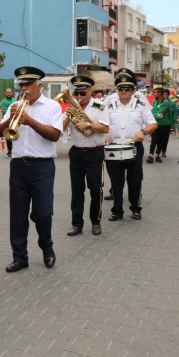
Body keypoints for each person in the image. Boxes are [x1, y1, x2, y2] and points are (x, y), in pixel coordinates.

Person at [0, 66, 62, 273]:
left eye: (28, 84)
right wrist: (10, 118)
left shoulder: (52, 106)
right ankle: (19, 257)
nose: (23, 88)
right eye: (21, 84)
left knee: (43, 214)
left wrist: (30, 121)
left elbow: (54, 135)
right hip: (18, 166)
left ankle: (47, 247)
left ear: (39, 85)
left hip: (42, 166)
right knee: (17, 214)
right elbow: (0, 132)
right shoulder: (15, 105)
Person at [105, 76, 157, 221]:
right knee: (116, 182)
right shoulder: (109, 106)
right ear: (117, 90)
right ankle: (117, 210)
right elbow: (103, 124)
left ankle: (135, 208)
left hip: (134, 147)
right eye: (121, 89)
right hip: (114, 147)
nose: (124, 92)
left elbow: (153, 124)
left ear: (133, 90)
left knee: (134, 181)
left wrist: (143, 132)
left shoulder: (140, 106)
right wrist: (105, 133)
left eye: (127, 89)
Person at [62, 76, 109, 237]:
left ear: (91, 91)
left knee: (96, 190)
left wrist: (88, 124)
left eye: (83, 93)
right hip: (76, 153)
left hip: (94, 152)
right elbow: (60, 129)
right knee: (77, 190)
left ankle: (95, 222)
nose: (79, 97)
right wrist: (68, 116)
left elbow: (104, 128)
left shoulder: (100, 106)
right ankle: (77, 224)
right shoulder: (71, 107)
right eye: (76, 93)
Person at [147, 88, 176, 162]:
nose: (154, 94)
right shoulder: (154, 100)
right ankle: (151, 155)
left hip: (165, 125)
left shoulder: (166, 103)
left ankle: (157, 155)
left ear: (160, 93)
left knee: (160, 141)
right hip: (156, 124)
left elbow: (160, 113)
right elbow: (153, 110)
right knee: (154, 140)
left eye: (155, 92)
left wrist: (151, 116)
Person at [0, 88, 16, 157]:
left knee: (14, 134)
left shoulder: (15, 100)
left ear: (12, 93)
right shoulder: (3, 102)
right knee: (8, 135)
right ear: (5, 93)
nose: (8, 94)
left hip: (14, 120)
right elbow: (6, 111)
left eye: (10, 92)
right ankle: (9, 150)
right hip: (6, 120)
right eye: (7, 92)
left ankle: (14, 149)